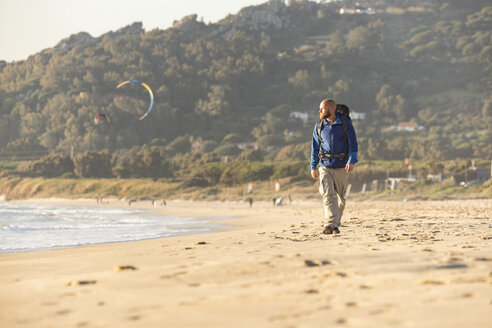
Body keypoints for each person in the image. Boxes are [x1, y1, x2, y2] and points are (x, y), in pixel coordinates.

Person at [310, 98, 358, 235]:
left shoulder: (345, 124)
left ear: (331, 109)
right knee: (328, 195)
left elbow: (353, 144)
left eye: (322, 108)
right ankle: (330, 224)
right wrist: (313, 166)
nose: (319, 111)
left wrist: (351, 161)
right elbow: (314, 147)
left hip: (342, 166)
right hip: (324, 166)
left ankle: (335, 223)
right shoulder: (319, 126)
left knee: (341, 199)